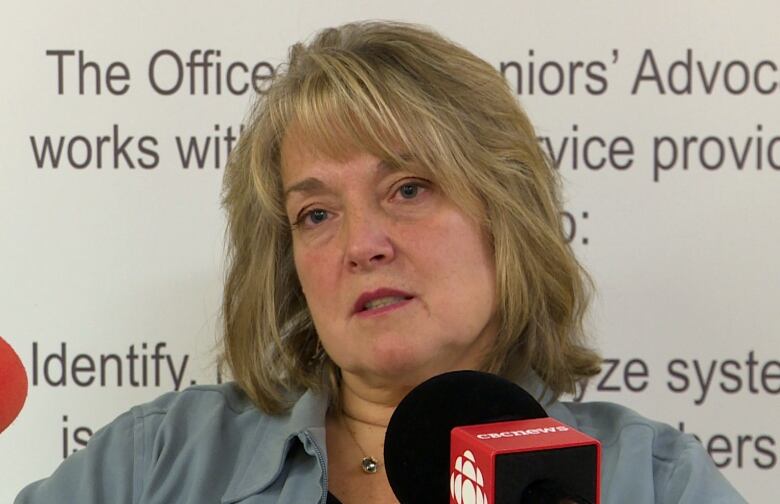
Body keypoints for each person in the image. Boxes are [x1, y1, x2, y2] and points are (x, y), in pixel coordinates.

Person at [16, 21, 745, 504]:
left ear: (506, 214)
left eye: (408, 189)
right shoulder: (158, 464)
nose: (363, 244)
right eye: (317, 214)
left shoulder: (649, 480)